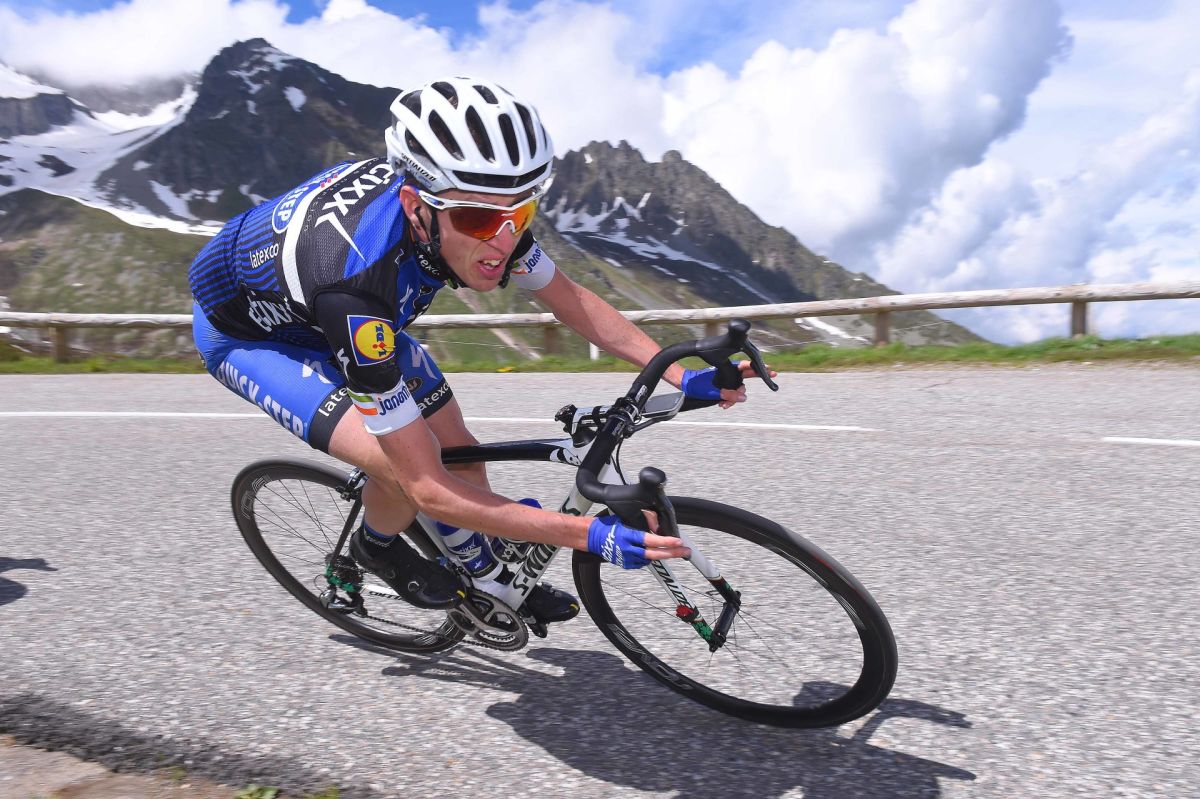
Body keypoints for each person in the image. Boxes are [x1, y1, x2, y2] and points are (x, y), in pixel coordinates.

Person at [190, 77, 768, 624]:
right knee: (402, 470)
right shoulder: (355, 288)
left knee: (461, 450)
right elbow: (427, 486)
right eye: (479, 219)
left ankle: (490, 577)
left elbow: (569, 299)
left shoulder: (480, 211)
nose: (503, 241)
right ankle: (376, 547)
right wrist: (587, 536)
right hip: (253, 338)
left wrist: (678, 375)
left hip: (332, 308)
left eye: (522, 214)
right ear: (416, 207)